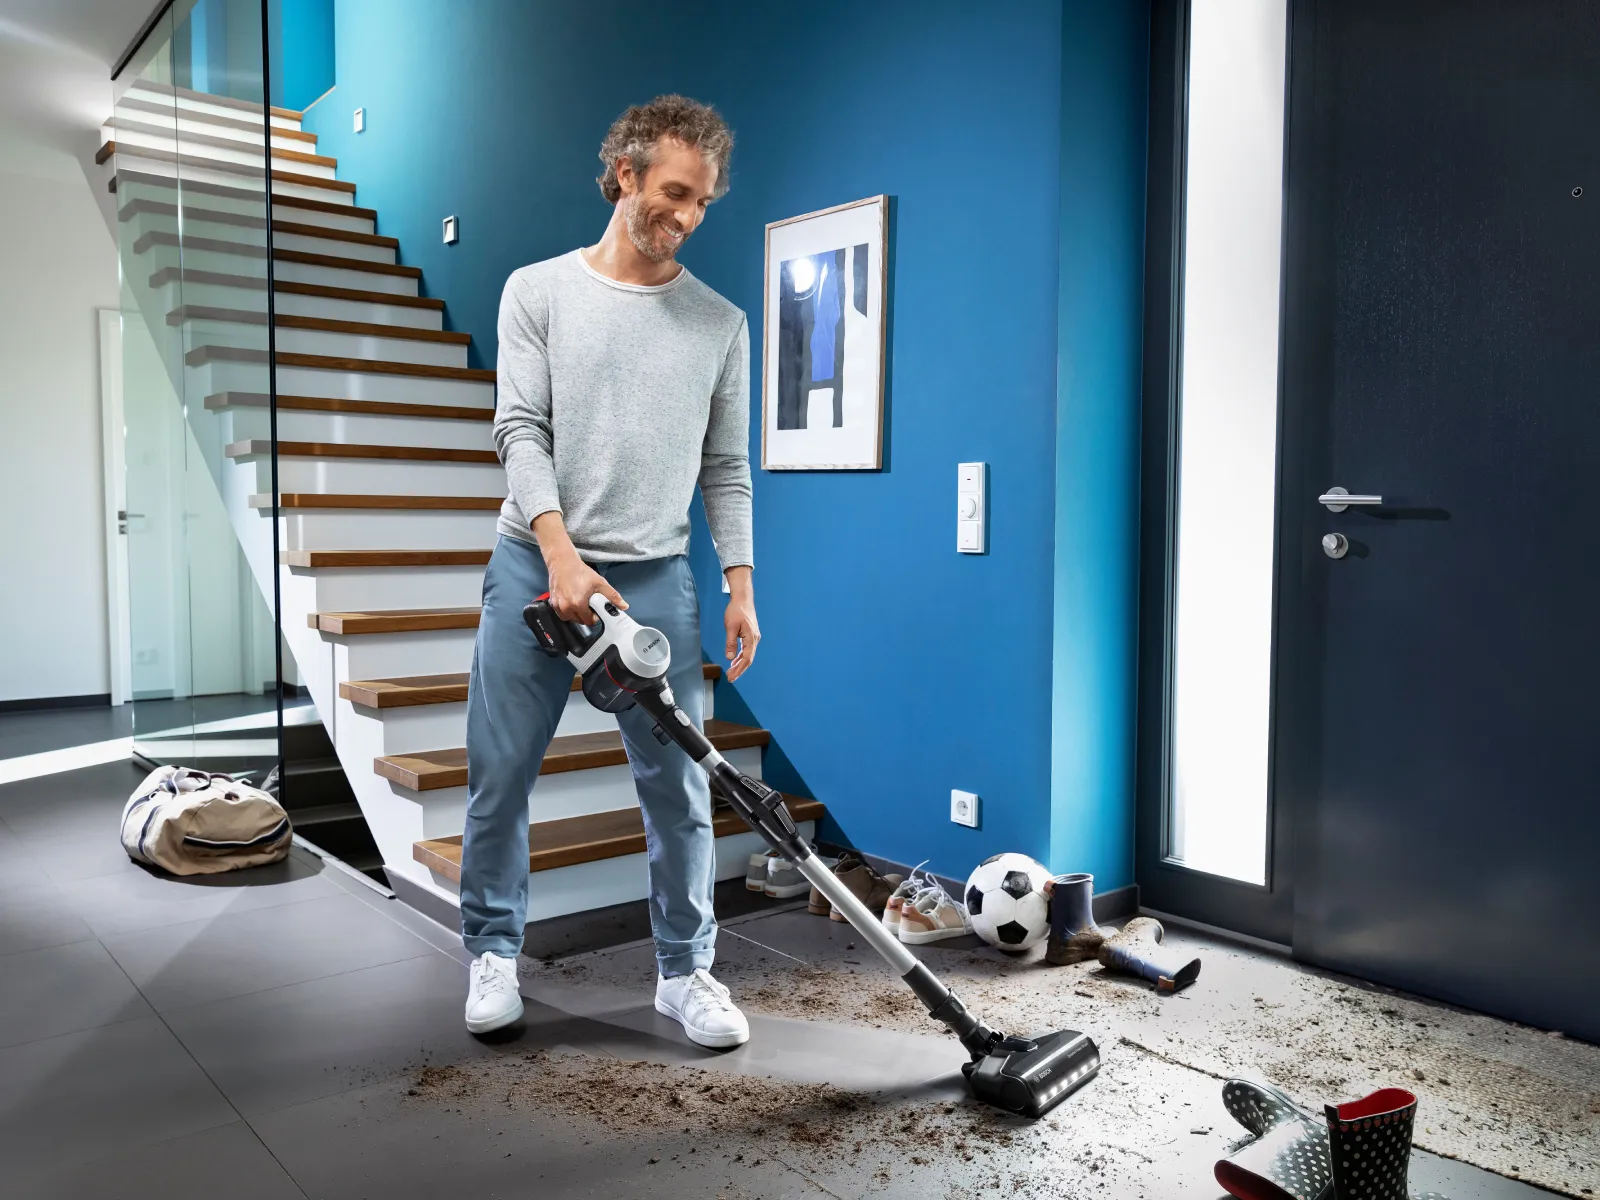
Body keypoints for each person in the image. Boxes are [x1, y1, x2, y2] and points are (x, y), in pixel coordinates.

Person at [458, 96, 759, 1048]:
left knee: (676, 790)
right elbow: (519, 428)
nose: (689, 215)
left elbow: (725, 466)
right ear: (625, 174)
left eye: (704, 201)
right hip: (533, 563)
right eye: (675, 192)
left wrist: (740, 581)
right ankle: (494, 953)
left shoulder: (719, 322)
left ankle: (687, 972)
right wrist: (558, 554)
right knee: (500, 774)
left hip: (658, 574)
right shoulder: (536, 291)